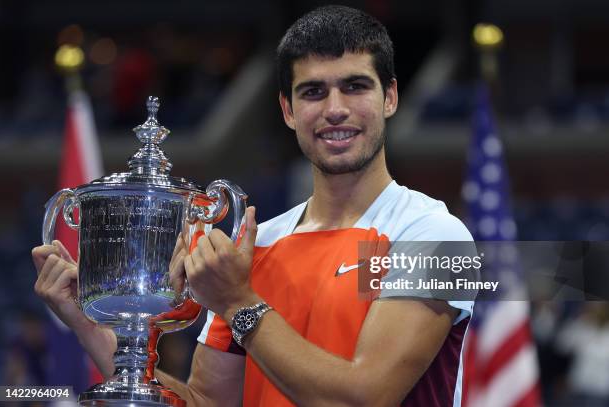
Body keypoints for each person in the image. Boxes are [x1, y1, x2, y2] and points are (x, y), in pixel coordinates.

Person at [32, 5, 474, 406]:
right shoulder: (255, 247)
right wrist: (88, 324)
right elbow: (207, 403)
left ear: (390, 97)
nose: (335, 109)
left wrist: (238, 302)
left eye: (355, 87)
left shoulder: (439, 237)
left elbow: (364, 398)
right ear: (287, 109)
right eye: (313, 92)